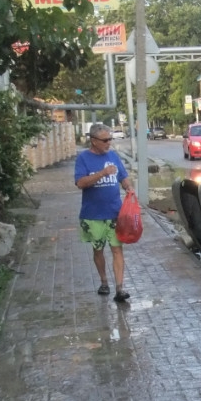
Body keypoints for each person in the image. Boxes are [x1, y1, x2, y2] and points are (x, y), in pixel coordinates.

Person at [75, 123, 134, 302]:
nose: (109, 143)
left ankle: (120, 288)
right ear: (93, 141)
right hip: (93, 215)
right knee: (98, 250)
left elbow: (123, 176)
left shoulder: (113, 156)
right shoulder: (83, 158)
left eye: (110, 139)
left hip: (115, 213)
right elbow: (80, 183)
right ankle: (103, 281)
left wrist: (129, 187)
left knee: (117, 249)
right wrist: (102, 173)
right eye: (105, 140)